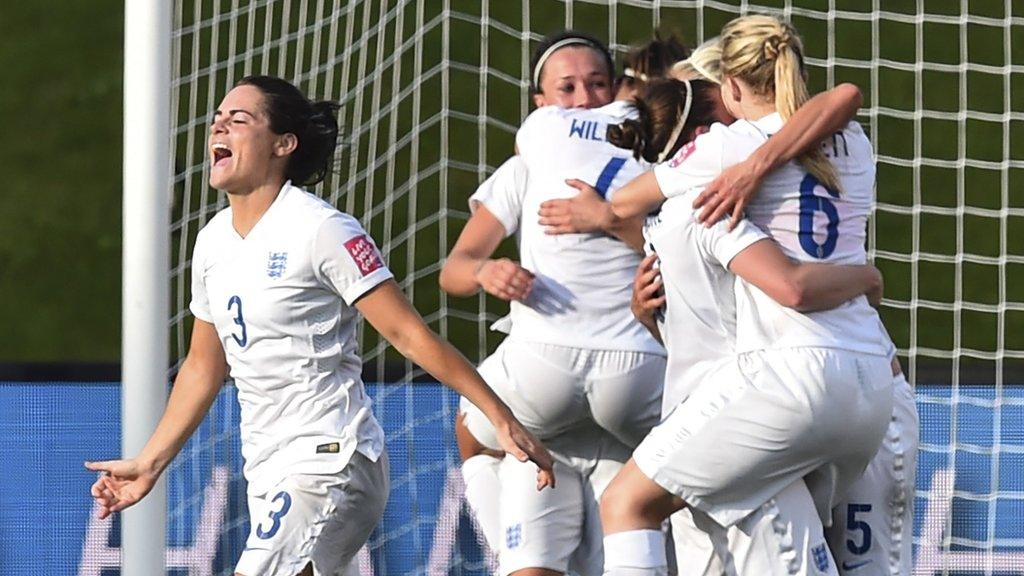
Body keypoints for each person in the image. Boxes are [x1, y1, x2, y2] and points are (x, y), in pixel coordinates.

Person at [85, 76, 554, 576]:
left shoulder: (322, 229)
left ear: (284, 145)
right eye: (218, 118)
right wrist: (149, 463)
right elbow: (203, 366)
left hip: (331, 456)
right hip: (267, 468)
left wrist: (499, 416)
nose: (219, 124)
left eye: (239, 119)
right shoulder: (212, 244)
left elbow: (408, 334)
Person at [595, 16, 897, 576]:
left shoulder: (723, 151)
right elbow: (846, 96)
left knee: (625, 501)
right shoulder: (854, 138)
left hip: (791, 377)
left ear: (728, 88)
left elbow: (622, 203)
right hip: (874, 383)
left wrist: (746, 166)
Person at [442, 32, 688, 576]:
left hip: (543, 378)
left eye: (596, 85)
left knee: (473, 427)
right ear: (540, 101)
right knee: (639, 523)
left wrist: (602, 218)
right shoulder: (660, 160)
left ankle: (504, 553)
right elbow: (457, 269)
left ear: (620, 90)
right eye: (568, 88)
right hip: (634, 380)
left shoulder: (540, 153)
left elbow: (447, 273)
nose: (582, 100)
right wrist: (487, 270)